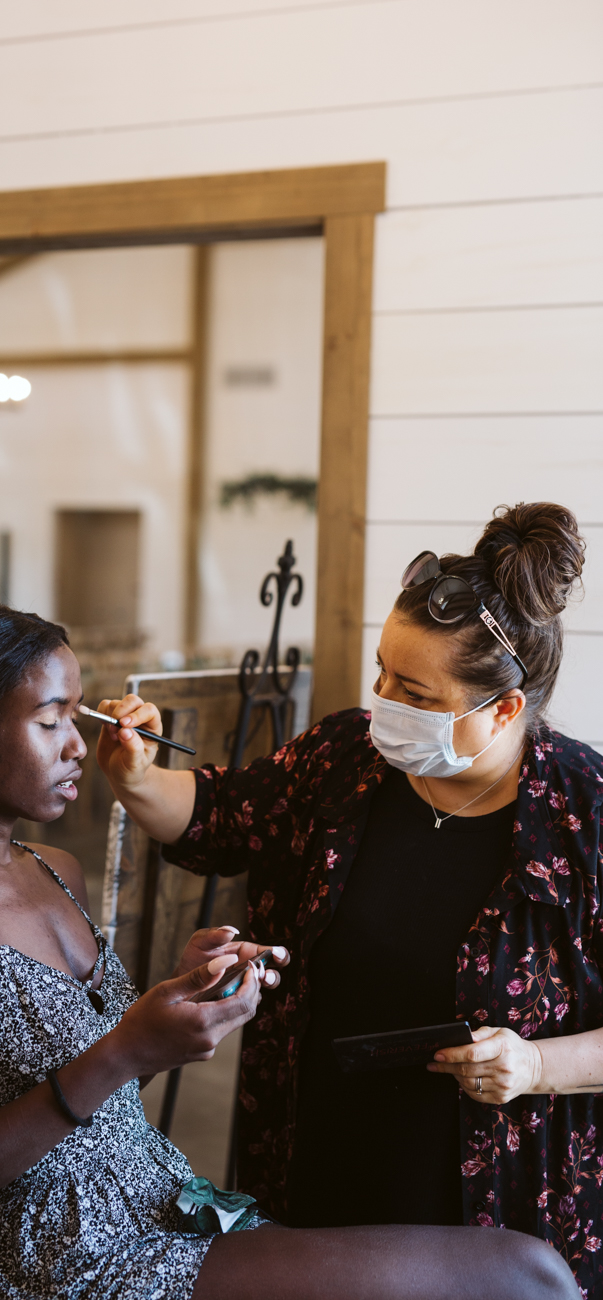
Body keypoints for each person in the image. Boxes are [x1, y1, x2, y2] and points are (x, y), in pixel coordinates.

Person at [0, 595, 577, 1300]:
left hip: (164, 1203)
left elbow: (91, 1099)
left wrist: (180, 997)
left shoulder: (56, 871)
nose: (77, 748)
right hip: (69, 1257)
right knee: (522, 1275)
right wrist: (125, 1050)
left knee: (527, 1270)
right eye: (51, 721)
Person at [97, 502, 603, 1297]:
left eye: (415, 692)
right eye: (381, 673)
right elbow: (215, 817)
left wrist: (536, 1063)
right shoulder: (343, 758)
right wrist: (133, 776)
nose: (383, 702)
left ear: (502, 708)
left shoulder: (586, 814)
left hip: (499, 1191)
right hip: (316, 1150)